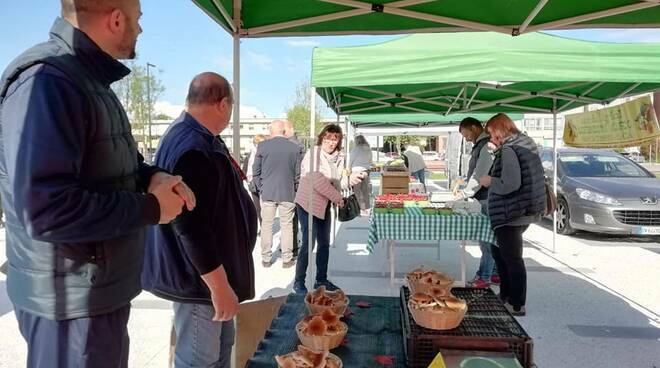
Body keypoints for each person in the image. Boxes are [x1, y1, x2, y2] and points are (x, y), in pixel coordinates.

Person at [0, 1, 195, 367]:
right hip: (69, 304)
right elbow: (45, 210)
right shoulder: (48, 81)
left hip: (92, 294)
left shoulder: (83, 80)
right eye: (138, 20)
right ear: (116, 19)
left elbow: (109, 164)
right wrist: (152, 209)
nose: (140, 30)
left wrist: (152, 175)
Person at [142, 72, 257, 368]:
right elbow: (191, 228)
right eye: (231, 108)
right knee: (200, 360)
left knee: (219, 353)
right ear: (222, 104)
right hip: (199, 284)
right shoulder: (193, 147)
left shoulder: (198, 137)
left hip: (207, 280)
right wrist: (219, 288)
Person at [479, 113, 546, 317]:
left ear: (500, 129)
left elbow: (510, 183)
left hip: (512, 211)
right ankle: (506, 296)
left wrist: (490, 181)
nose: (491, 138)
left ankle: (516, 303)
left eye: (491, 132)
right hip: (525, 207)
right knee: (499, 251)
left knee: (511, 257)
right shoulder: (525, 143)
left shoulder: (509, 149)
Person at [293, 124, 363, 294]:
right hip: (307, 204)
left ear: (339, 141)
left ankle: (321, 280)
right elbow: (317, 181)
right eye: (328, 138)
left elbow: (337, 182)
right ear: (321, 138)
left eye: (335, 139)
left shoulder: (338, 158)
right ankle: (299, 282)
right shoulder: (313, 154)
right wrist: (339, 199)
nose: (331, 143)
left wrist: (351, 180)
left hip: (324, 206)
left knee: (324, 244)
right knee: (309, 244)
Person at [253, 120, 301, 268]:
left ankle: (266, 258)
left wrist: (261, 187)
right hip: (288, 192)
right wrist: (295, 189)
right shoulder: (295, 148)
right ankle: (287, 259)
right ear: (284, 131)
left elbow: (256, 171)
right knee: (287, 226)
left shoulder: (262, 146)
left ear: (271, 131)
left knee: (267, 225)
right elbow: (298, 174)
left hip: (268, 192)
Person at [458, 117, 499, 289]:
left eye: (466, 134)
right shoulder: (481, 145)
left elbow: (480, 174)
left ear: (474, 128)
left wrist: (465, 193)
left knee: (486, 238)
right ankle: (496, 272)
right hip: (484, 196)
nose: (466, 138)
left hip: (487, 198)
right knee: (492, 238)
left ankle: (484, 276)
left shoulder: (487, 146)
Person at [284, 121, 305, 258]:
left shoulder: (292, 146)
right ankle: (295, 246)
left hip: (292, 185)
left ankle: (293, 248)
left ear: (289, 130)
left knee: (291, 219)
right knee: (295, 218)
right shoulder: (300, 145)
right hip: (297, 185)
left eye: (284, 131)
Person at [245, 134, 267, 226]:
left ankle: (264, 226)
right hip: (253, 183)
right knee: (257, 207)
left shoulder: (265, 154)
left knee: (264, 207)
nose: (257, 145)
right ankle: (262, 226)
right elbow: (245, 167)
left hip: (263, 182)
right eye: (256, 143)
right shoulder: (251, 154)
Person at [349, 135, 373, 215]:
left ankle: (359, 209)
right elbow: (370, 161)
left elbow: (350, 161)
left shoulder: (355, 149)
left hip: (356, 171)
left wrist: (349, 169)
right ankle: (367, 208)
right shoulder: (368, 149)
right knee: (366, 191)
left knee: (357, 191)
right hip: (366, 171)